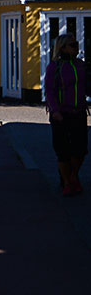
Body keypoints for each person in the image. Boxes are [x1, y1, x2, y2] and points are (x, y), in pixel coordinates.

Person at [45, 33, 88, 196]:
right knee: (62, 150)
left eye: (76, 44)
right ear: (62, 48)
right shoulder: (54, 67)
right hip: (61, 114)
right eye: (73, 45)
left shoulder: (81, 65)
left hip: (79, 112)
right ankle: (68, 182)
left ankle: (73, 175)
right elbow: (49, 90)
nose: (76, 47)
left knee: (80, 149)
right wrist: (55, 111)